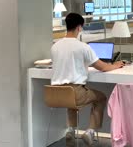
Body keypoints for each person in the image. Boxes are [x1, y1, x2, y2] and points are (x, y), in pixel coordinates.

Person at [51, 13, 124, 147]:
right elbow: (103, 67)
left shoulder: (55, 46)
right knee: (101, 98)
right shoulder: (83, 47)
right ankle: (90, 132)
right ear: (79, 27)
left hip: (56, 93)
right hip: (75, 92)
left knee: (71, 99)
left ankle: (70, 131)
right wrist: (115, 65)